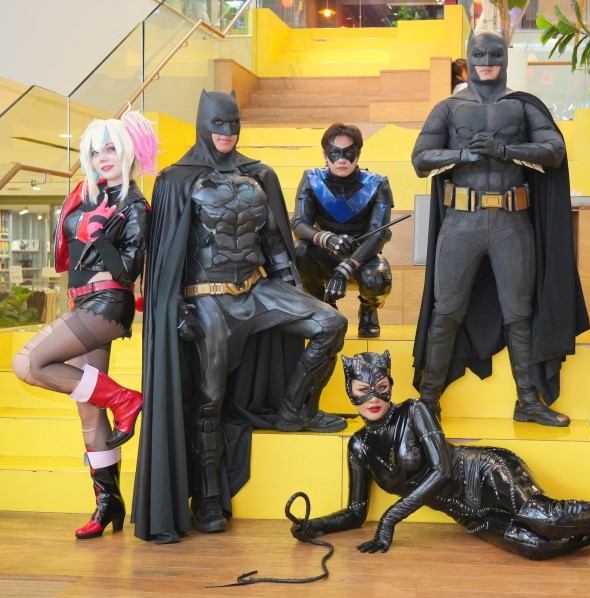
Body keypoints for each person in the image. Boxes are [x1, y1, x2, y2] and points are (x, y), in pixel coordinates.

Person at [133, 90, 348, 543]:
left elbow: (274, 243)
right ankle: (208, 497)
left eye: (233, 124)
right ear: (203, 123)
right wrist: (176, 309)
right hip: (205, 297)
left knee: (330, 323)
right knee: (208, 399)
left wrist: (291, 287)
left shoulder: (259, 175)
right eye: (219, 124)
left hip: (256, 288)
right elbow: (166, 258)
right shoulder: (176, 180)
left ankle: (293, 410)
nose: (227, 133)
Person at [291, 350, 590, 559]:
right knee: (536, 546)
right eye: (363, 391)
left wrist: (391, 518)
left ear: (390, 384)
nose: (374, 398)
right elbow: (356, 511)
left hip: (482, 472)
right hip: (468, 514)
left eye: (381, 387)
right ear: (349, 391)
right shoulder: (359, 445)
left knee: (546, 518)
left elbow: (443, 469)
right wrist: (314, 526)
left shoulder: (414, 410)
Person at [411, 31, 590, 426]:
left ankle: (527, 401)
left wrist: (507, 151)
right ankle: (428, 401)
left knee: (519, 312)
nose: (487, 61)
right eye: (479, 54)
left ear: (505, 58)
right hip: (461, 221)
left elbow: (554, 151)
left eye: (495, 54)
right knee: (447, 310)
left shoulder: (523, 106)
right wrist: (463, 154)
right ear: (468, 59)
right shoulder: (449, 108)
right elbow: (420, 159)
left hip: (512, 221)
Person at [12, 111, 158, 539]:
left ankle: (127, 399)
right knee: (89, 410)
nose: (103, 157)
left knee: (28, 364)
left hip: (107, 303)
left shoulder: (134, 204)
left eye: (111, 148)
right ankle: (108, 502)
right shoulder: (86, 195)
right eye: (95, 151)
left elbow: (129, 269)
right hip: (82, 300)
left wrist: (100, 238)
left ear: (126, 151)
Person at [292, 123, 394, 338]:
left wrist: (347, 266)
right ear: (325, 154)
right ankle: (325, 307)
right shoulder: (312, 179)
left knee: (378, 278)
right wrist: (326, 238)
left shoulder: (377, 183)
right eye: (335, 152)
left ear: (358, 154)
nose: (341, 159)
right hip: (324, 253)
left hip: (363, 255)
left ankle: (368, 308)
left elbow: (379, 233)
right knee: (298, 252)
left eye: (348, 152)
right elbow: (299, 223)